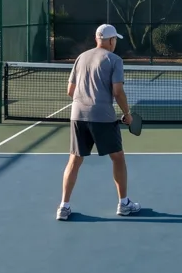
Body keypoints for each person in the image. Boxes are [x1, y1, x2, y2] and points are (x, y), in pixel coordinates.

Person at [57, 23, 141, 220]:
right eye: (115, 41)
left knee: (74, 160)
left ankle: (64, 206)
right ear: (111, 41)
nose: (115, 44)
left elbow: (70, 91)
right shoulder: (115, 60)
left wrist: (85, 102)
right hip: (102, 117)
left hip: (77, 115)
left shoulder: (81, 57)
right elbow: (117, 91)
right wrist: (127, 114)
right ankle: (124, 204)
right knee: (118, 157)